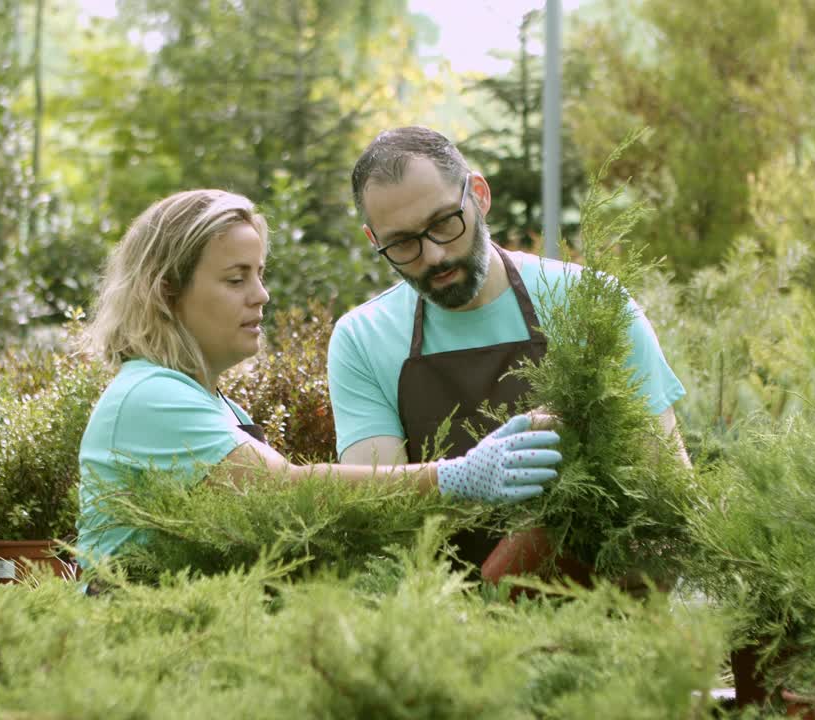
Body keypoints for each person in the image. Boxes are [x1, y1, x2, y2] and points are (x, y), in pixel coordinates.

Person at [75, 189, 563, 567]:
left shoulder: (218, 405)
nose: (261, 295)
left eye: (260, 273)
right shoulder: (151, 395)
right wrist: (460, 477)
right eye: (235, 278)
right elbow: (288, 494)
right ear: (167, 292)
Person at [327, 126, 690, 575]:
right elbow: (382, 515)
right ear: (373, 239)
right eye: (403, 243)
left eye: (444, 223)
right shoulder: (363, 338)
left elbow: (665, 493)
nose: (435, 256)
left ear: (478, 195)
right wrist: (466, 482)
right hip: (444, 623)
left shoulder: (593, 304)